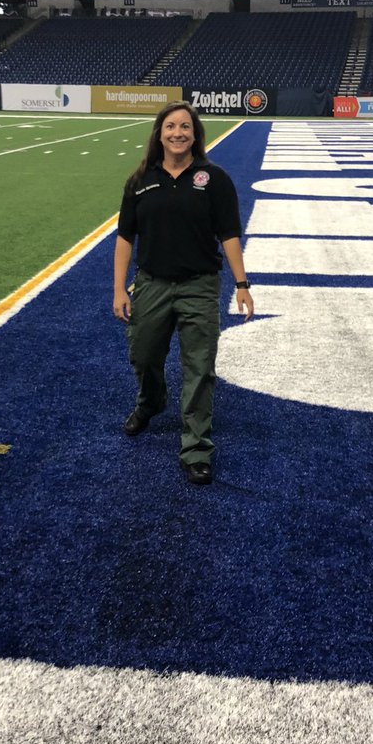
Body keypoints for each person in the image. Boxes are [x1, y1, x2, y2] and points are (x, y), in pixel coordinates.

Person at [113, 101, 254, 485]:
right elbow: (125, 237)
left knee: (199, 367)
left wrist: (242, 285)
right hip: (151, 285)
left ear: (195, 135)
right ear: (159, 134)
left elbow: (228, 235)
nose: (178, 133)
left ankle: (195, 447)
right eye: (171, 126)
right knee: (142, 355)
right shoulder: (140, 179)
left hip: (199, 286)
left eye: (186, 127)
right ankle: (151, 401)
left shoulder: (214, 178)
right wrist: (118, 289)